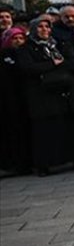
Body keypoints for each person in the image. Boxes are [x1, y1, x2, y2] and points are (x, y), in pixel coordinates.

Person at [15, 17, 74, 176]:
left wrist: (53, 66)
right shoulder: (26, 48)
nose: (44, 30)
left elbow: (73, 62)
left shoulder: (59, 44)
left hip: (66, 93)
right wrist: (52, 64)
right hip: (43, 97)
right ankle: (44, 164)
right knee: (45, 132)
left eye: (47, 27)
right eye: (40, 27)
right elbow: (28, 68)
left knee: (70, 129)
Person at [1, 27, 32, 175]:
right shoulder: (4, 55)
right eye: (14, 38)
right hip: (8, 100)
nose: (18, 41)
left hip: (27, 98)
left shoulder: (27, 54)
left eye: (21, 38)